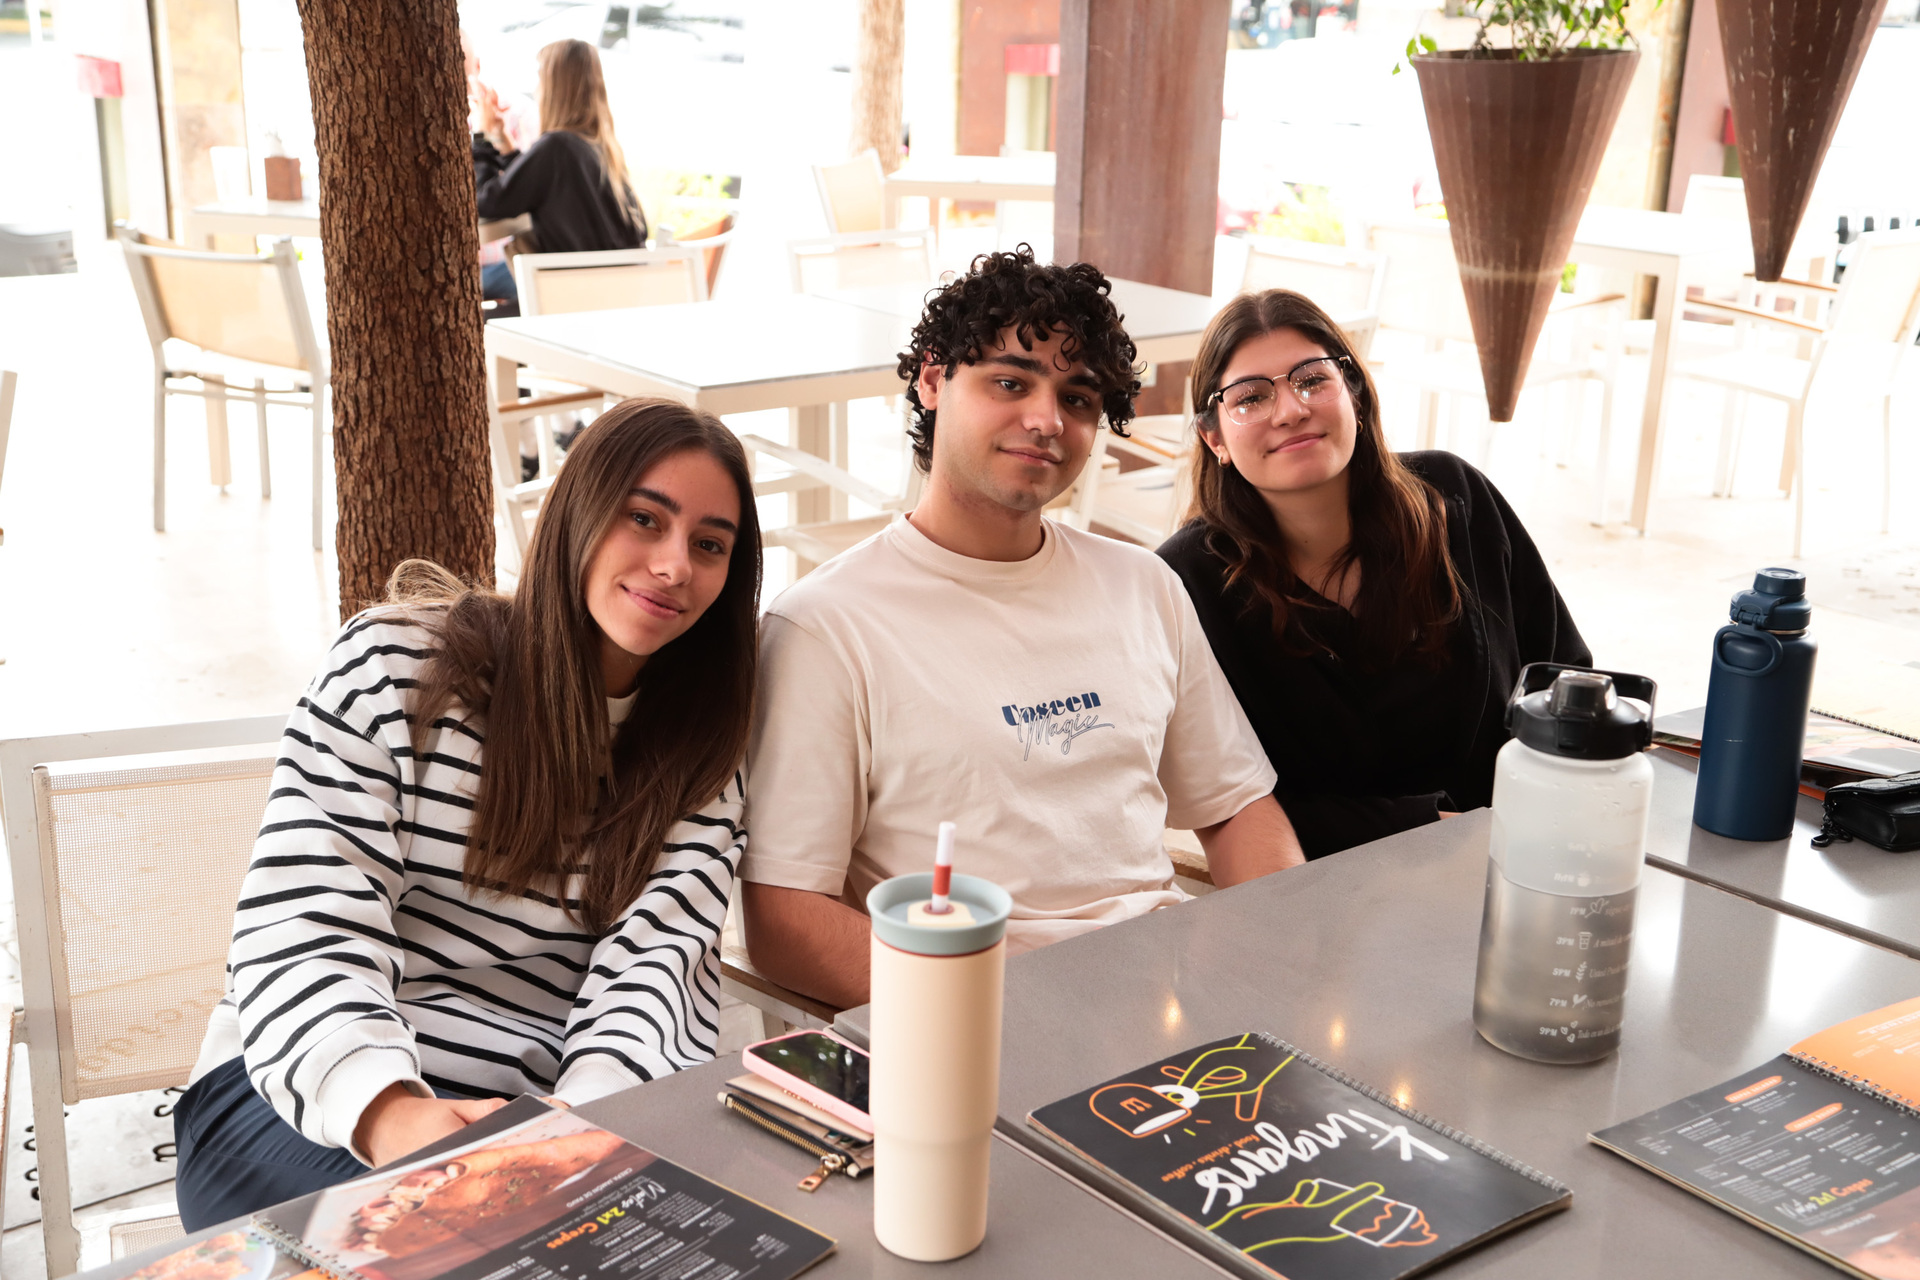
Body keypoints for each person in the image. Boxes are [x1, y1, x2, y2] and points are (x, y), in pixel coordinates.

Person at [172, 399, 760, 1226]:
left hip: (531, 1114)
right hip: (301, 1091)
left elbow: (656, 975)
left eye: (709, 545)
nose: (673, 566)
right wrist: (390, 1112)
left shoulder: (700, 752)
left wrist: (587, 1132)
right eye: (643, 518)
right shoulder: (394, 667)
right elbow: (304, 924)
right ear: (577, 513)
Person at [740, 247, 1305, 1011]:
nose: (1046, 420)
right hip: (972, 1021)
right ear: (934, 379)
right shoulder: (825, 627)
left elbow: (1236, 809)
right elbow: (784, 918)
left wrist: (1280, 958)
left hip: (1171, 1008)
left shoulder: (1144, 585)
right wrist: (990, 1017)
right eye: (1010, 382)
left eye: (1077, 399)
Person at [1157, 289, 1590, 860]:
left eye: (1312, 379)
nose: (1290, 410)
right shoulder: (1184, 582)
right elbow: (1225, 800)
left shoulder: (1454, 496)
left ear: (1354, 393)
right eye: (1251, 398)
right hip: (1331, 894)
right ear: (1215, 438)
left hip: (1528, 853)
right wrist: (1428, 828)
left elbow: (1562, 675)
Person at [473, 38, 647, 306]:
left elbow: (487, 202)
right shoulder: (599, 146)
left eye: (540, 79)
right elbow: (535, 182)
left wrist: (483, 137)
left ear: (555, 88)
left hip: (578, 299)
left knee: (477, 297)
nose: (536, 89)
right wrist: (503, 141)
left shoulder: (558, 146)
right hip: (617, 294)